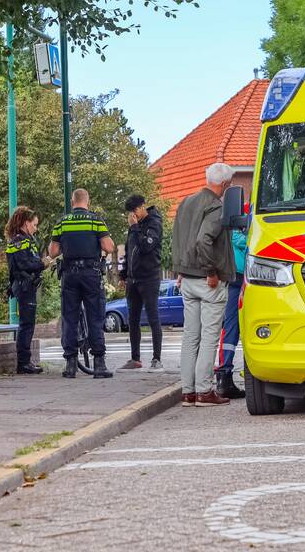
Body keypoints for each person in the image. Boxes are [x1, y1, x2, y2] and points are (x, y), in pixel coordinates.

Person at [171, 162, 236, 407]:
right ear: (225, 184)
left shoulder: (186, 202)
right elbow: (203, 240)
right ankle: (204, 391)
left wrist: (179, 269)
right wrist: (212, 271)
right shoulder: (216, 207)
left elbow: (178, 238)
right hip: (208, 280)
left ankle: (188, 391)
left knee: (190, 336)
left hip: (186, 277)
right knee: (210, 336)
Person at [49, 188, 116, 379]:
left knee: (69, 318)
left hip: (69, 275)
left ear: (72, 202)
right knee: (95, 316)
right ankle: (99, 364)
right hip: (91, 274)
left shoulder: (62, 222)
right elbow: (109, 247)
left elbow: (53, 251)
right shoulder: (95, 221)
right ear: (88, 201)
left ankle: (70, 365)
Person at [118, 194, 164, 371]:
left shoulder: (154, 223)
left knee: (153, 317)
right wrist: (124, 274)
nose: (133, 215)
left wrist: (135, 227)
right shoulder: (134, 227)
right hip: (133, 279)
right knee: (133, 318)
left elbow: (146, 246)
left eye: (135, 210)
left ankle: (156, 359)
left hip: (149, 277)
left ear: (143, 207)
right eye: (131, 212)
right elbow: (130, 249)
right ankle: (135, 358)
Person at [5, 207, 48, 375]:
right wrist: (43, 263)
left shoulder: (20, 240)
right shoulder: (21, 241)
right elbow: (25, 264)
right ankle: (23, 363)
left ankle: (25, 362)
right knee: (26, 325)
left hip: (23, 285)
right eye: (34, 224)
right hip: (24, 286)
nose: (36, 228)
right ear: (26, 223)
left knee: (27, 324)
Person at [215, 226, 247, 398]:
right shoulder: (234, 214)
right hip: (236, 277)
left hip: (246, 275)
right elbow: (238, 240)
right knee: (231, 328)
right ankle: (224, 375)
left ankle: (226, 374)